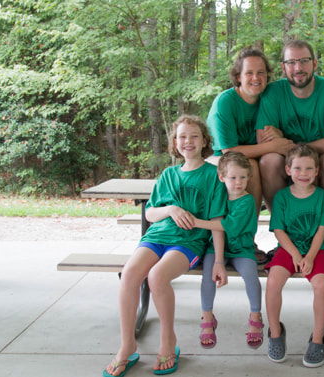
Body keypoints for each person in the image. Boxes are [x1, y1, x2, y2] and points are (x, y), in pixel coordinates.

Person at [103, 115, 227, 377]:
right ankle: (128, 345)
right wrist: (170, 209)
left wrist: (217, 260)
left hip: (188, 242)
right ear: (175, 142)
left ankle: (168, 341)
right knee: (129, 275)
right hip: (156, 237)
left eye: (194, 136)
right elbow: (150, 214)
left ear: (205, 141)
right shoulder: (168, 174)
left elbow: (218, 222)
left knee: (157, 276)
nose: (188, 141)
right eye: (182, 136)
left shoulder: (213, 176)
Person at [207, 46, 295, 263]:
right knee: (251, 168)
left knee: (262, 165)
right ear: (238, 77)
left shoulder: (267, 98)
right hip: (216, 158)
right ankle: (247, 241)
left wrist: (277, 137)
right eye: (249, 73)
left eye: (261, 72)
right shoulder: (226, 102)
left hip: (249, 156)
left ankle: (285, 237)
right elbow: (228, 151)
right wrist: (273, 146)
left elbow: (270, 138)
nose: (256, 78)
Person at [255, 39, 324, 237]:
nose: (298, 68)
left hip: (322, 158)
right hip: (286, 161)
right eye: (291, 62)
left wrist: (285, 141)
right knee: (268, 161)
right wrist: (284, 147)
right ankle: (284, 234)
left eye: (304, 61)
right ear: (283, 67)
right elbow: (262, 140)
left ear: (314, 63)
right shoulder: (273, 92)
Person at [186, 151, 264, 350]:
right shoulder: (218, 194)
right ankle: (207, 317)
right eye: (233, 177)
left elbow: (224, 225)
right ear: (222, 177)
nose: (238, 182)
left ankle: (255, 317)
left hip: (241, 249)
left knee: (251, 275)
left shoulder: (246, 201)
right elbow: (215, 222)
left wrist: (196, 223)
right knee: (208, 275)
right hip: (216, 248)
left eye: (243, 177)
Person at [264, 144, 324, 368]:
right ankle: (275, 333)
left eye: (309, 169)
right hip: (288, 248)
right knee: (273, 282)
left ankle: (318, 338)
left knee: (322, 286)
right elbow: (279, 230)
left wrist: (310, 256)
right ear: (288, 170)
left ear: (317, 171)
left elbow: (322, 229)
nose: (304, 174)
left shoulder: (323, 197)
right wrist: (294, 253)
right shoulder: (282, 197)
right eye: (298, 168)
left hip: (314, 249)